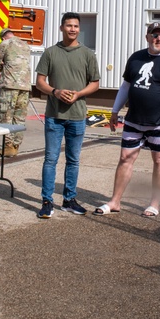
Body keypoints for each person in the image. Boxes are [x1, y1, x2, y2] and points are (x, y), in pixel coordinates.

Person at [95, 22, 160, 217]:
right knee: (125, 159)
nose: (158, 39)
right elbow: (125, 87)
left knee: (159, 160)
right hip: (133, 120)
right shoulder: (136, 58)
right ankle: (115, 201)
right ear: (147, 37)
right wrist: (114, 111)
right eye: (154, 35)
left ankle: (154, 203)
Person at [34, 12, 100, 218]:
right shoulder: (51, 53)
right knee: (51, 159)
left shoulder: (88, 54)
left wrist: (79, 94)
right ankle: (47, 201)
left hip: (78, 116)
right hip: (54, 116)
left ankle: (69, 199)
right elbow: (40, 82)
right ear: (61, 28)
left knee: (73, 160)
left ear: (79, 29)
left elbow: (95, 83)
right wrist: (55, 91)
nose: (72, 29)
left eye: (76, 26)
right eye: (69, 26)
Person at [0, 27, 31, 157]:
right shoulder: (25, 45)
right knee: (19, 117)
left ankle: (8, 146)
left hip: (9, 85)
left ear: (3, 37)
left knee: (6, 115)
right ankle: (16, 145)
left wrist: (1, 64)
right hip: (25, 86)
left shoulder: (5, 44)